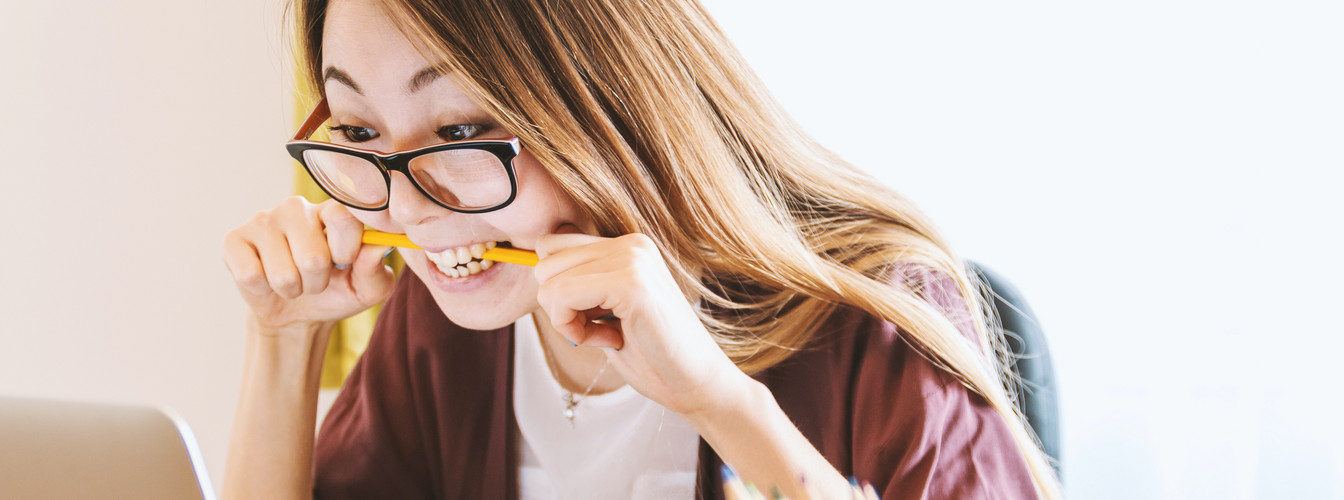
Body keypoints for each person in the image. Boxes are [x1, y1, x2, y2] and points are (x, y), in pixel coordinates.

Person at [221, 0, 1061, 498]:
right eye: (360, 130)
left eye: (464, 129)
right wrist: (284, 341)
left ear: (608, 105)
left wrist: (717, 403)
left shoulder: (869, 323)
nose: (405, 206)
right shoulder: (443, 324)